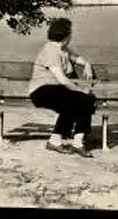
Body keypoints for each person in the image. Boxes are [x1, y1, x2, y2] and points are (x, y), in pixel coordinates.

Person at [28, 18, 97, 158]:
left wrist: (87, 65)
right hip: (41, 91)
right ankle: (55, 140)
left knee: (86, 99)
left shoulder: (63, 49)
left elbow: (77, 59)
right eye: (70, 32)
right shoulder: (51, 51)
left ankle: (78, 142)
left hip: (57, 90)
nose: (71, 35)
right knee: (75, 100)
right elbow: (63, 80)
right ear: (66, 36)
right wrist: (80, 89)